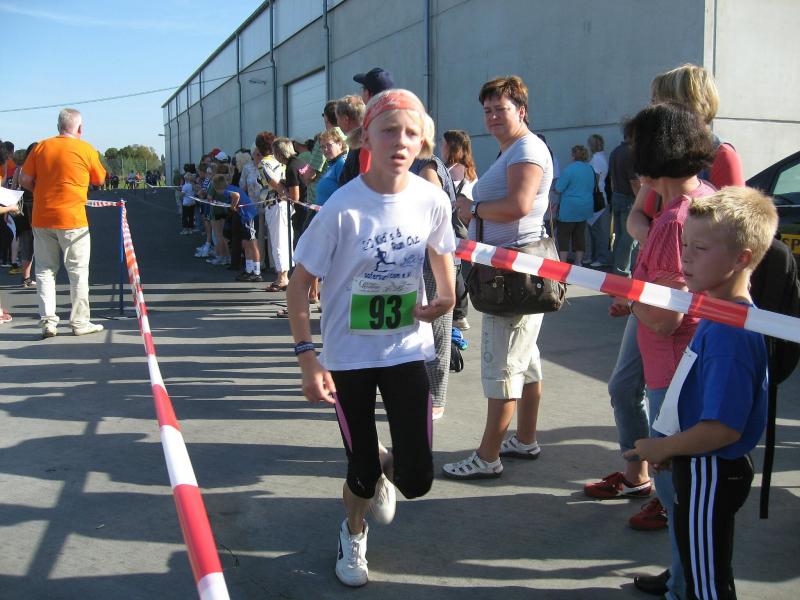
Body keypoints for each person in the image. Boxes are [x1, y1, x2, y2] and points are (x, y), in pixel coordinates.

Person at [286, 88, 456, 587]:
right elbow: (299, 286)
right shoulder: (342, 207)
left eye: (410, 133)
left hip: (406, 348)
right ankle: (353, 531)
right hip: (349, 357)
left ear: (422, 141)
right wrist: (308, 358)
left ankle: (384, 463)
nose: (400, 141)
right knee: (360, 473)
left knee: (417, 480)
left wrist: (446, 293)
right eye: (388, 131)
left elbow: (441, 249)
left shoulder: (431, 198)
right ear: (366, 138)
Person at [588, 102, 717, 600]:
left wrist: (630, 299)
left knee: (674, 486)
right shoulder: (704, 200)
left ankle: (684, 584)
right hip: (691, 361)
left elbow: (665, 317)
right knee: (686, 486)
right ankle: (684, 573)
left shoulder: (671, 222)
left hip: (671, 365)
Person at [626, 186, 777, 600]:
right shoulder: (716, 310)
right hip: (698, 464)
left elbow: (723, 428)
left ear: (741, 258)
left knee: (706, 585)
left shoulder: (730, 332)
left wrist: (665, 447)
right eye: (685, 245)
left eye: (700, 248)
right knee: (701, 570)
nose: (686, 257)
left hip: (711, 468)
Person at [446, 75, 553, 478]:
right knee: (526, 361)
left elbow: (519, 205)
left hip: (510, 274)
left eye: (500, 108)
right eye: (487, 109)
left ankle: (488, 456)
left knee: (503, 367)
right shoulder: (514, 149)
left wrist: (472, 209)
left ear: (521, 111)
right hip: (512, 271)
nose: (492, 116)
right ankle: (524, 438)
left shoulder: (526, 148)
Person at [19, 108, 106, 338]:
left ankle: (48, 322)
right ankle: (80, 322)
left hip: (42, 217)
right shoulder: (86, 149)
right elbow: (100, 178)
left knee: (45, 270)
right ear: (80, 128)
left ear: (58, 126)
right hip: (73, 219)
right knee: (78, 272)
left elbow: (24, 179)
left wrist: (41, 191)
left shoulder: (41, 147)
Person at [442, 129, 478, 331]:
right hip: (464, 228)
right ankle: (460, 313)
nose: (441, 147)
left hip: (452, 229)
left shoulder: (451, 171)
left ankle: (459, 314)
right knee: (458, 271)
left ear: (451, 147)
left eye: (443, 144)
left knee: (454, 271)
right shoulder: (469, 170)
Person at [339, 68, 395, 186]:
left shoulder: (373, 128)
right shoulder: (395, 124)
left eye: (362, 89)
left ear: (368, 94)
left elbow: (366, 179)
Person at [255, 131, 290, 291]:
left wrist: (281, 192)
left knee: (277, 240)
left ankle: (282, 277)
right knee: (286, 239)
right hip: (286, 202)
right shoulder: (282, 160)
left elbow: (273, 182)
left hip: (275, 202)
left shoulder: (264, 163)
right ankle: (284, 274)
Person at [608, 128, 641, 276]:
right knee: (628, 240)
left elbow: (612, 180)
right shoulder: (631, 153)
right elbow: (634, 182)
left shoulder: (615, 152)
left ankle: (618, 272)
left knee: (620, 238)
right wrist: (641, 202)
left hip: (617, 196)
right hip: (629, 200)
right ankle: (622, 274)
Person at [554, 145, 594, 264]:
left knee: (564, 235)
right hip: (585, 207)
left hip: (569, 209)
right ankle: (578, 262)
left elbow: (558, 188)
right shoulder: (590, 169)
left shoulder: (569, 169)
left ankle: (563, 262)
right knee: (580, 235)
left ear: (573, 156)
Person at [586, 134, 611, 267]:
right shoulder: (602, 157)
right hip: (599, 196)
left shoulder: (596, 159)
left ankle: (601, 258)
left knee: (599, 231)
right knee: (596, 230)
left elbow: (594, 179)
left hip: (597, 198)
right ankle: (596, 257)